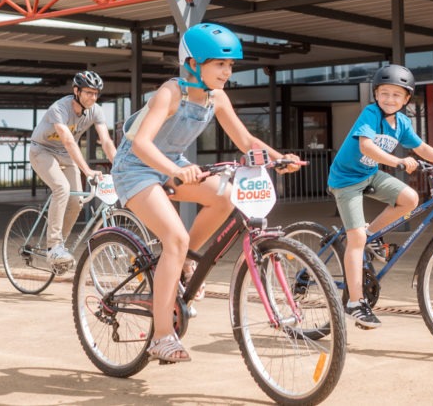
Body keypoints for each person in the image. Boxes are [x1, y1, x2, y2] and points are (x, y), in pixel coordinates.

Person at [111, 22, 300, 364]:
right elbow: (140, 144)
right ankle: (161, 336)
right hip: (135, 166)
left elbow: (246, 142)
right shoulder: (170, 93)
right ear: (193, 65)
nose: (227, 71)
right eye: (219, 64)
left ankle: (185, 260)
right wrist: (174, 170)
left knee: (225, 197)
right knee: (174, 237)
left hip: (172, 163)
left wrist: (279, 157)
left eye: (230, 65)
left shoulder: (217, 97)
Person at [327, 63, 433, 330]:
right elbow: (365, 145)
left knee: (410, 199)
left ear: (406, 100)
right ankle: (355, 303)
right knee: (355, 238)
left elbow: (422, 147)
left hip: (369, 174)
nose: (390, 99)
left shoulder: (402, 122)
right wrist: (397, 161)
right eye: (385, 93)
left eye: (397, 95)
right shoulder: (370, 114)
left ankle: (371, 236)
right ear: (376, 94)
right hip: (346, 179)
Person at [28, 70, 117, 271]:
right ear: (76, 91)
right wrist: (87, 171)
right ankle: (53, 245)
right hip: (42, 150)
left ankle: (60, 248)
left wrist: (120, 167)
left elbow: (106, 141)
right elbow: (68, 141)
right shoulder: (58, 109)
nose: (93, 97)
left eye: (96, 94)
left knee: (77, 201)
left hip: (65, 155)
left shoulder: (96, 110)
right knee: (62, 188)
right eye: (88, 92)